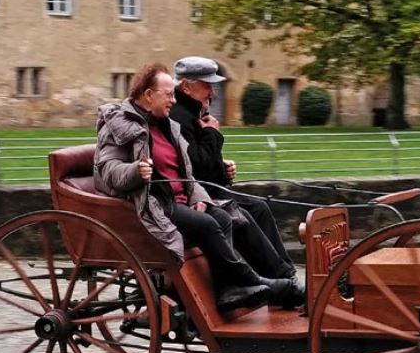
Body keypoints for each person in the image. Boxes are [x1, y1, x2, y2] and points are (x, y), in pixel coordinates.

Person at [93, 63, 297, 312]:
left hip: (179, 197)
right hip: (154, 201)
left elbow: (187, 172)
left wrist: (198, 196)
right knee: (209, 224)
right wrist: (135, 170)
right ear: (148, 95)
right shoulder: (119, 123)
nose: (173, 99)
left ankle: (229, 290)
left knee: (222, 216)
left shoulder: (166, 124)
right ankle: (250, 281)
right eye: (168, 94)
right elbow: (107, 168)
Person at [170, 56, 304, 307]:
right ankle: (282, 281)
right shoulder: (179, 117)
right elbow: (196, 167)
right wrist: (213, 134)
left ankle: (285, 275)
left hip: (204, 189)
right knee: (243, 214)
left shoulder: (194, 112)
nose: (213, 91)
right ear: (186, 86)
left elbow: (205, 166)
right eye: (207, 85)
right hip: (195, 195)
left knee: (260, 207)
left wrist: (223, 170)